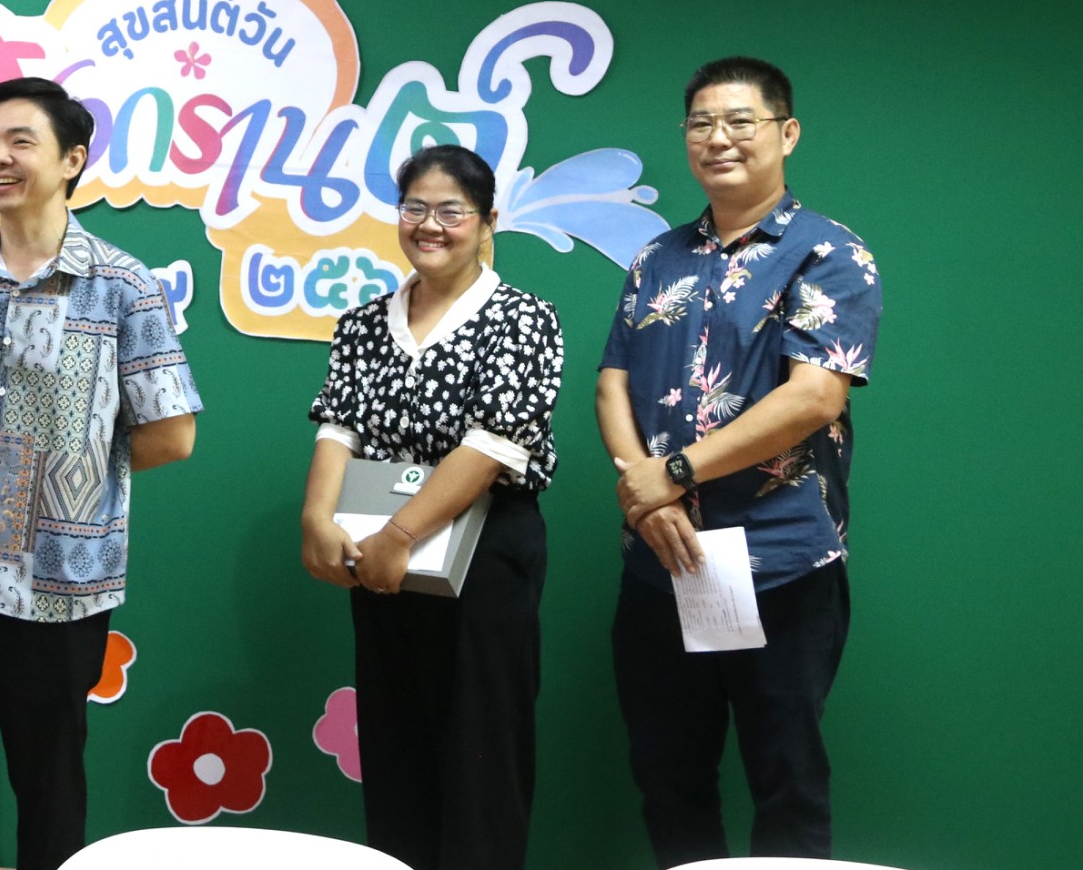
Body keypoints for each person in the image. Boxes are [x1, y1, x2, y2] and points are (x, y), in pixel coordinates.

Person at [0, 77, 202, 870]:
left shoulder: (121, 283)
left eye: (20, 141)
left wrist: (78, 472)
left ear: (71, 159)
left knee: (50, 791)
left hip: (55, 584)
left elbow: (173, 433)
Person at [599, 56, 882, 867]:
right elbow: (612, 381)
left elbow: (813, 397)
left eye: (740, 121)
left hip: (781, 562)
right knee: (667, 777)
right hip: (662, 561)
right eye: (701, 123)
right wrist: (647, 493)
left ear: (786, 133)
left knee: (786, 783)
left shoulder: (828, 252)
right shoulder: (657, 257)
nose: (717, 138)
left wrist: (674, 472)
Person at [299, 144, 563, 870]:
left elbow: (492, 445)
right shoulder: (363, 323)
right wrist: (317, 518)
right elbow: (339, 428)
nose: (429, 225)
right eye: (414, 207)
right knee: (394, 744)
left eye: (451, 211)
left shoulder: (523, 318)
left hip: (484, 551)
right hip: (378, 555)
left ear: (487, 222)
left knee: (483, 751)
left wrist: (403, 531)